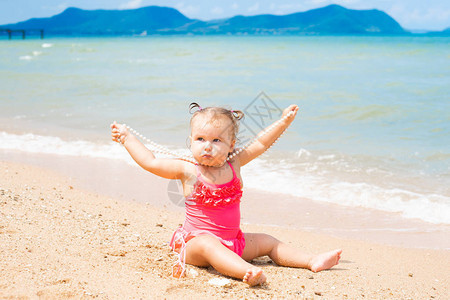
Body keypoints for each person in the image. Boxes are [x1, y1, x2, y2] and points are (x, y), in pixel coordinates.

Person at [110, 103, 341, 286]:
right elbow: (150, 161)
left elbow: (261, 143)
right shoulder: (187, 170)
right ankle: (246, 271)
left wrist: (283, 121)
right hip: (194, 245)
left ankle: (312, 260)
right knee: (209, 244)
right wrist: (127, 138)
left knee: (269, 242)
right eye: (200, 139)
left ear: (231, 145)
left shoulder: (235, 164)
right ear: (191, 141)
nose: (207, 146)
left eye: (216, 140)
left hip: (234, 243)